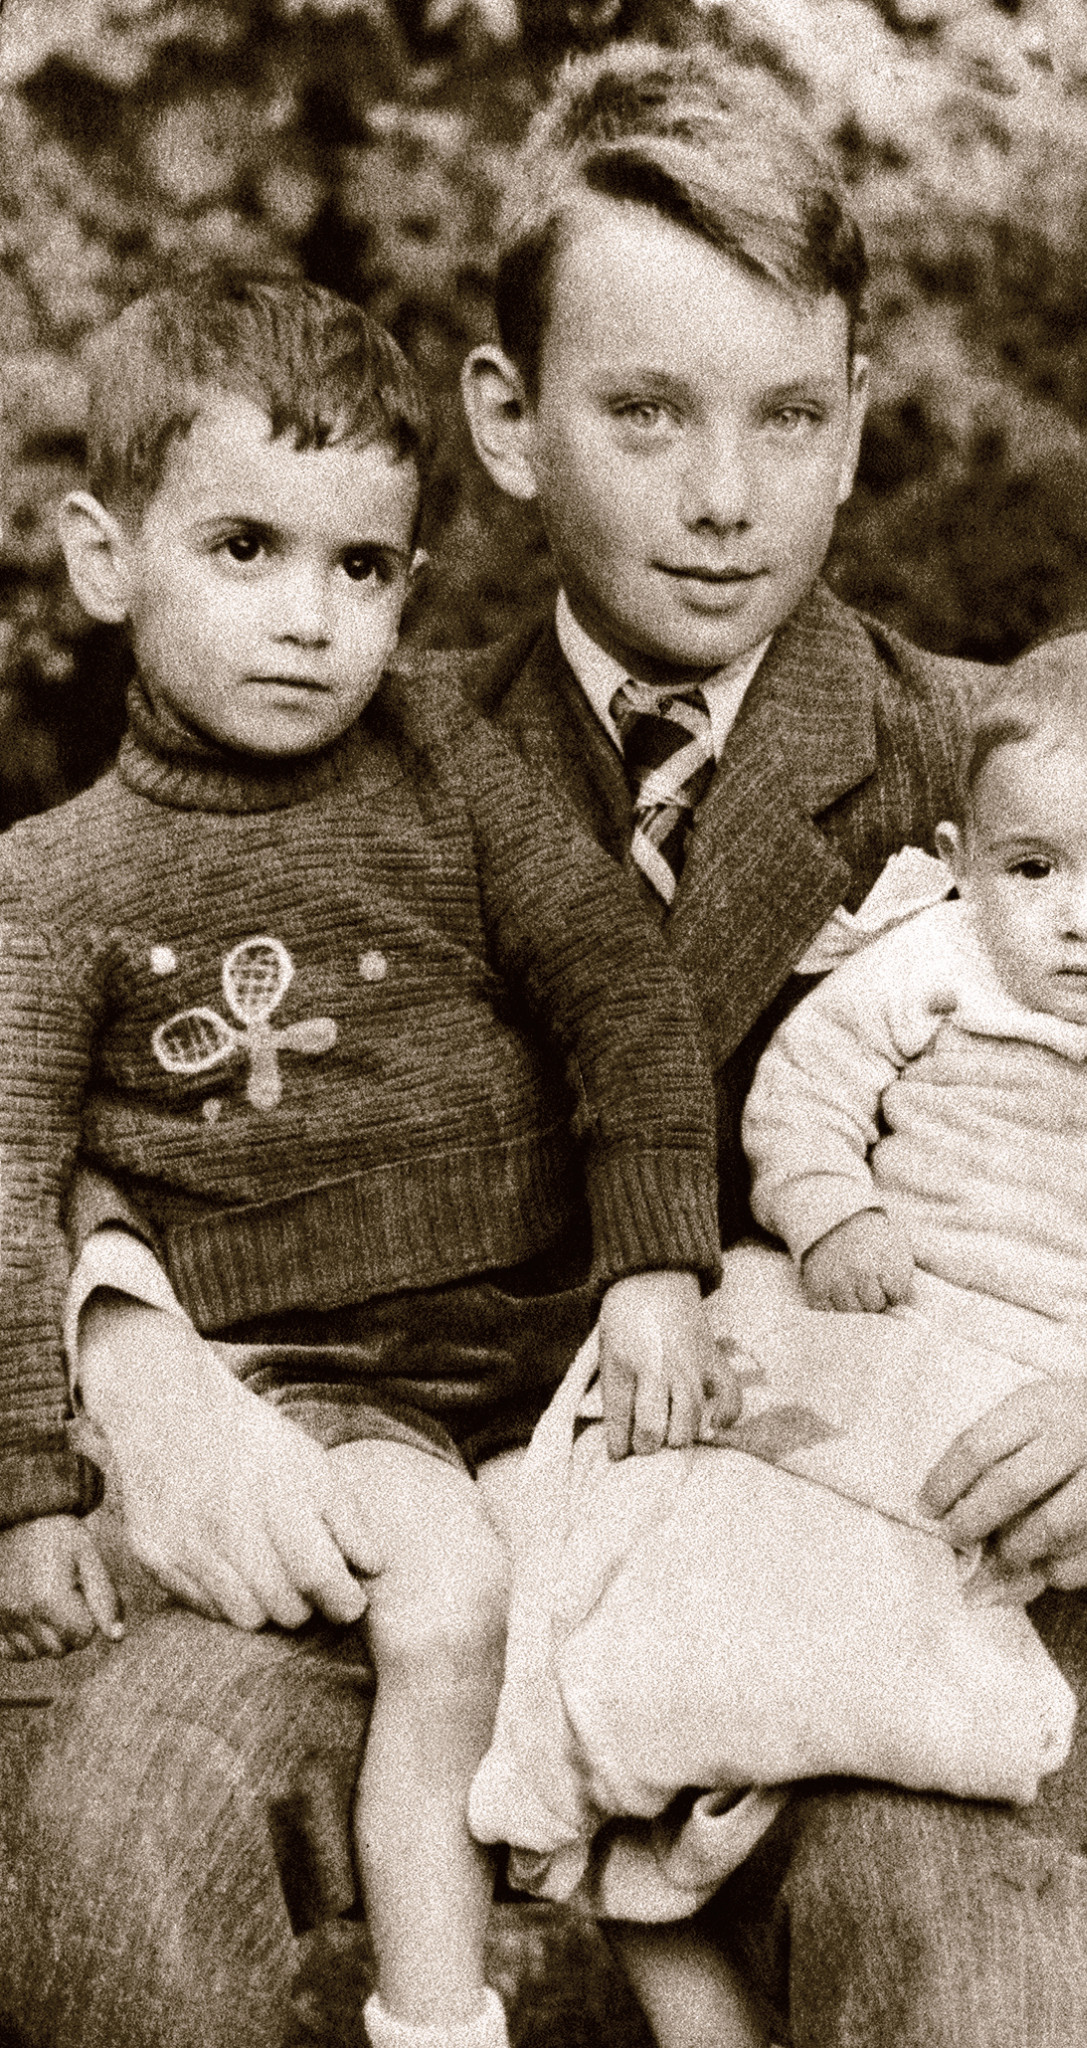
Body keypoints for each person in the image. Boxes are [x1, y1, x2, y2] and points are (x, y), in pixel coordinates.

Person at [17, 41, 1087, 2048]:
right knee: (111, 1848)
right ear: (508, 420)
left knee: (1004, 1982)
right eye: (644, 412)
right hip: (411, 1541)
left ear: (855, 427)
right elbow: (106, 1052)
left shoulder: (1018, 774)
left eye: (786, 416)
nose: (724, 498)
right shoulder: (353, 746)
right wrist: (133, 1346)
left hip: (851, 1579)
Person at [467, 625, 1087, 2046]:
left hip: (1037, 1368)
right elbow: (810, 1085)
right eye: (1035, 871)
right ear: (967, 861)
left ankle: (741, 1795)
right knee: (676, 1488)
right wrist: (828, 1208)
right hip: (869, 1306)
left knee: (931, 1579)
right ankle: (627, 1787)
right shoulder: (936, 960)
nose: (1083, 919)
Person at [0, 273, 730, 2048]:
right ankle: (437, 2015)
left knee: (722, 1599)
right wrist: (26, 1492)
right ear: (106, 560)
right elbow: (9, 1199)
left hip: (542, 1349)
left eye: (361, 568)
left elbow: (617, 989)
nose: (309, 619)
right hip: (327, 1382)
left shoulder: (440, 764)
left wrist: (654, 1258)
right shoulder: (55, 882)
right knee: (452, 1601)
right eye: (243, 550)